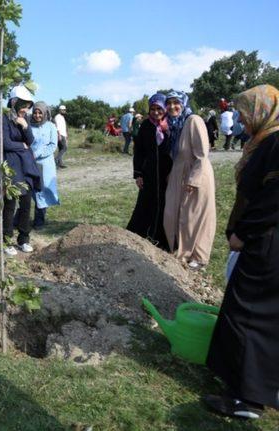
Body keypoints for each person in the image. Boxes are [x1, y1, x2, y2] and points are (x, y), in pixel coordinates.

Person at [203, 84, 279, 420]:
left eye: (246, 113)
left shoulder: (276, 143)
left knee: (245, 315)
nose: (242, 120)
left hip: (267, 243)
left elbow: (272, 198)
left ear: (263, 111)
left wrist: (243, 234)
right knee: (265, 316)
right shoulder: (265, 141)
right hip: (266, 239)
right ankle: (261, 385)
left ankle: (245, 399)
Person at [163, 91, 216, 269]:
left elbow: (202, 153)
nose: (172, 107)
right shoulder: (175, 124)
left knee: (194, 215)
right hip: (180, 174)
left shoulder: (193, 120)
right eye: (168, 103)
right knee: (174, 212)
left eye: (176, 103)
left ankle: (198, 256)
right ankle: (181, 248)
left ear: (183, 103)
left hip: (195, 173)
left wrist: (195, 179)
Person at [0, 85, 41, 256]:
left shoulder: (26, 120)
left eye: (28, 106)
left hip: (26, 168)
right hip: (11, 169)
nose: (26, 110)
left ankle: (23, 239)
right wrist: (21, 145)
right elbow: (5, 143)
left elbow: (30, 141)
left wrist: (25, 126)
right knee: (9, 206)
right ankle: (7, 241)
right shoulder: (3, 120)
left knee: (25, 205)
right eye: (23, 106)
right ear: (14, 103)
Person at [126, 93, 172, 250]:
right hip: (149, 174)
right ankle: (141, 236)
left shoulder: (171, 125)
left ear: (165, 108)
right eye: (152, 109)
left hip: (167, 174)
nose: (156, 112)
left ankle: (161, 238)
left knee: (165, 205)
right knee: (146, 204)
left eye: (159, 108)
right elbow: (139, 151)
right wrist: (138, 174)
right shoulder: (146, 126)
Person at [28, 102, 59, 228]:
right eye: (35, 112)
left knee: (42, 191)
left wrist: (38, 154)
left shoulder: (51, 126)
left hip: (45, 165)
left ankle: (39, 220)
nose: (37, 115)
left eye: (40, 112)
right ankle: (19, 218)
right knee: (29, 190)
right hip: (30, 162)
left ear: (45, 113)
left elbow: (53, 145)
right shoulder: (29, 126)